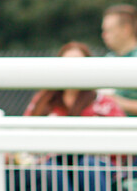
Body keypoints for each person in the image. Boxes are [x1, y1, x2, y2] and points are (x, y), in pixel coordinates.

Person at [16, 41, 124, 191]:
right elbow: (24, 133)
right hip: (50, 163)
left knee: (89, 166)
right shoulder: (43, 100)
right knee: (51, 170)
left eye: (78, 64)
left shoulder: (104, 102)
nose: (72, 69)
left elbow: (121, 141)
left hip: (95, 163)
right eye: (67, 64)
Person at [100, 4, 137, 116]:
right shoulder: (108, 59)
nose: (104, 35)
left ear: (126, 29)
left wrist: (114, 101)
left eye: (109, 30)